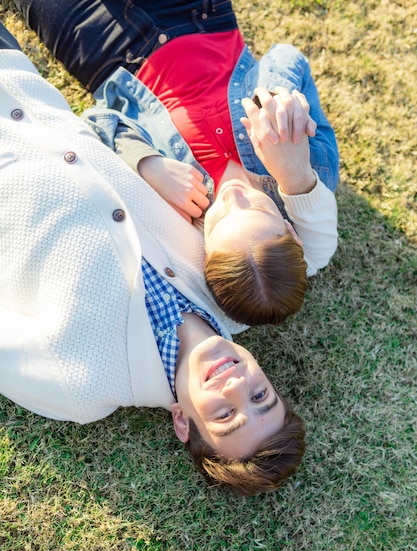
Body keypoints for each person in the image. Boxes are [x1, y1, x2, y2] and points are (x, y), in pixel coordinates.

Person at [0, 21, 305, 497]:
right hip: (14, 73)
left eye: (225, 416)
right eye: (260, 395)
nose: (235, 385)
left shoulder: (81, 385)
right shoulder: (228, 283)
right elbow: (309, 240)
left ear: (184, 423)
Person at [13, 0, 339, 327]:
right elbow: (285, 55)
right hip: (199, 16)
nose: (232, 197)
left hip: (103, 52)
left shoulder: (172, 216)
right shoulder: (307, 164)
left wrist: (147, 164)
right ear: (292, 232)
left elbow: (98, 122)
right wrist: (276, 99)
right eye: (258, 210)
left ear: (205, 252)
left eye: (220, 221)